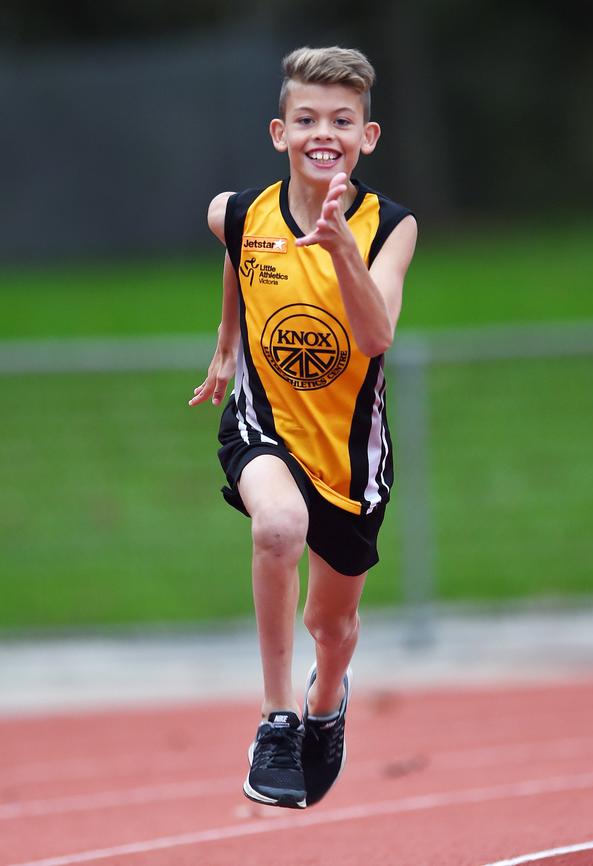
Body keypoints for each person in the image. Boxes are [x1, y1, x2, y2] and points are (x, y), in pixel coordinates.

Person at [189, 46, 417, 809]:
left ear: (368, 137)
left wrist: (342, 250)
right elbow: (237, 249)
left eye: (342, 120)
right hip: (266, 426)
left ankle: (326, 704)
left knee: (334, 624)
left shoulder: (390, 228)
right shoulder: (239, 212)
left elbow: (377, 334)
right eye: (309, 118)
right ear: (280, 132)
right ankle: (278, 717)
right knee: (277, 527)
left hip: (351, 458)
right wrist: (226, 342)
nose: (326, 132)